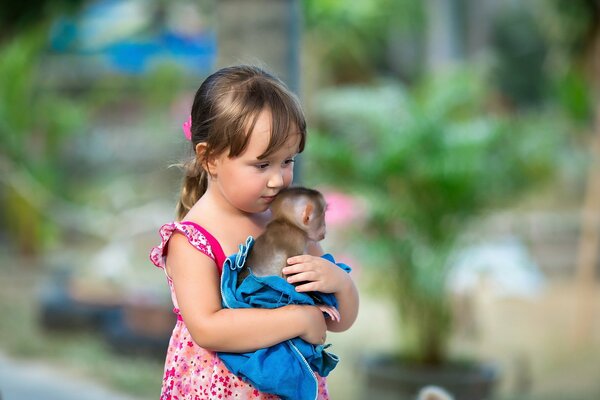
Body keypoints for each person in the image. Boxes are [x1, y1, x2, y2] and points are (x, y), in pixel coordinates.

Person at [149, 65, 359, 399]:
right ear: (211, 158)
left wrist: (340, 283)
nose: (278, 179)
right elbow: (208, 328)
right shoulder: (193, 240)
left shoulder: (286, 225)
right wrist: (299, 319)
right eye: (262, 165)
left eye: (287, 161)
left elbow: (336, 319)